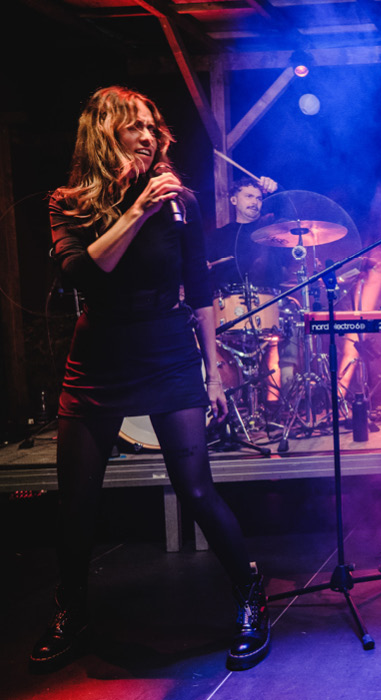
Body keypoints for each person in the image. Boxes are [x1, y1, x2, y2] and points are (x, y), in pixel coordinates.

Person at [31, 86, 270, 672]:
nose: (147, 135)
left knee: (195, 488)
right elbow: (84, 272)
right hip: (99, 356)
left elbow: (201, 290)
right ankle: (72, 611)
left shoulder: (178, 202)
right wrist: (138, 209)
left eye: (151, 126)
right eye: (134, 125)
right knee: (76, 499)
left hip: (167, 348)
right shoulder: (68, 203)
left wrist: (214, 374)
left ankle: (249, 595)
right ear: (103, 132)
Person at [206, 176, 280, 291]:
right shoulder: (218, 236)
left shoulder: (270, 227)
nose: (255, 202)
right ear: (234, 200)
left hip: (268, 297)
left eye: (259, 198)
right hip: (229, 299)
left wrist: (277, 190)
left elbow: (292, 214)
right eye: (249, 196)